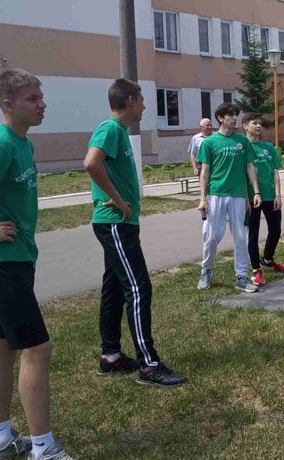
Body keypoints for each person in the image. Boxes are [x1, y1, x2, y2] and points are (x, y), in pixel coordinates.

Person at [84, 78, 185, 388]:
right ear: (129, 101)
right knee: (139, 289)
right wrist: (117, 201)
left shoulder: (120, 133)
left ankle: (110, 356)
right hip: (115, 222)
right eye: (141, 100)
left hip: (119, 223)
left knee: (114, 287)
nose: (144, 106)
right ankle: (149, 366)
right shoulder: (111, 128)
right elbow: (91, 163)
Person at [0, 70, 74, 459]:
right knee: (37, 349)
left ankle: (0, 438)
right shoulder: (1, 144)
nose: (42, 103)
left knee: (1, 346)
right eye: (32, 98)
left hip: (20, 258)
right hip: (2, 264)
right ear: (7, 104)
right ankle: (44, 449)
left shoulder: (23, 143)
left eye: (41, 96)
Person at [196, 103, 261, 292]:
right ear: (220, 118)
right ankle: (206, 271)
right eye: (231, 116)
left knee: (240, 236)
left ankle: (241, 277)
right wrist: (202, 199)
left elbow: (249, 167)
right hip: (216, 195)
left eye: (235, 115)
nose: (234, 119)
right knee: (211, 236)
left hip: (238, 196)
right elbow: (205, 172)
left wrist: (254, 193)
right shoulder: (209, 142)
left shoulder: (243, 141)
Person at [243, 113, 284, 286]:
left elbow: (275, 172)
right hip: (253, 198)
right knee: (253, 234)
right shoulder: (243, 148)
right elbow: (241, 175)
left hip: (270, 196)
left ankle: (267, 259)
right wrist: (247, 198)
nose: (259, 126)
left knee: (275, 230)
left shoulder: (268, 147)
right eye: (255, 123)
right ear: (246, 126)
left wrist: (278, 195)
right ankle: (256, 269)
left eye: (260, 123)